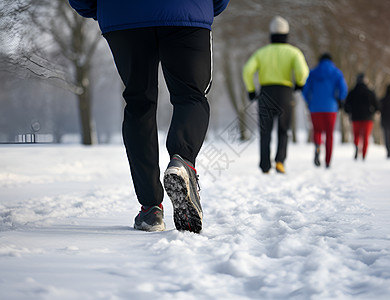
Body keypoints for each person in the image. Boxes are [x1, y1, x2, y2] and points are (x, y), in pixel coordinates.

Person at [68, 0, 229, 233]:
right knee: (191, 96)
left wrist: (101, 7)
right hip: (187, 10)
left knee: (139, 102)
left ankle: (151, 208)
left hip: (123, 15)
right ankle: (182, 160)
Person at [242, 16, 309, 174]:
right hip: (285, 93)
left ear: (271, 34)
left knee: (265, 131)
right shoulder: (294, 52)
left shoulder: (261, 53)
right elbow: (303, 71)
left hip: (266, 93)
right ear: (287, 35)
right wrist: (299, 84)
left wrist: (251, 90)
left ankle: (265, 165)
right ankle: (280, 162)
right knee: (283, 130)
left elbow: (247, 71)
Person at [302, 53, 348, 168]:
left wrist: (309, 101)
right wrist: (340, 100)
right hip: (331, 108)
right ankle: (327, 161)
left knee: (317, 131)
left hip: (315, 107)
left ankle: (317, 146)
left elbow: (305, 89)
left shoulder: (313, 73)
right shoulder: (337, 72)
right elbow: (343, 89)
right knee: (329, 134)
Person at [344, 73, 379, 160]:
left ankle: (356, 145)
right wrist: (373, 112)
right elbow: (377, 105)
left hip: (355, 117)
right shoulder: (370, 92)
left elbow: (346, 104)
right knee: (366, 137)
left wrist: (349, 112)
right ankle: (363, 154)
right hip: (367, 118)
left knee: (356, 135)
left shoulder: (352, 92)